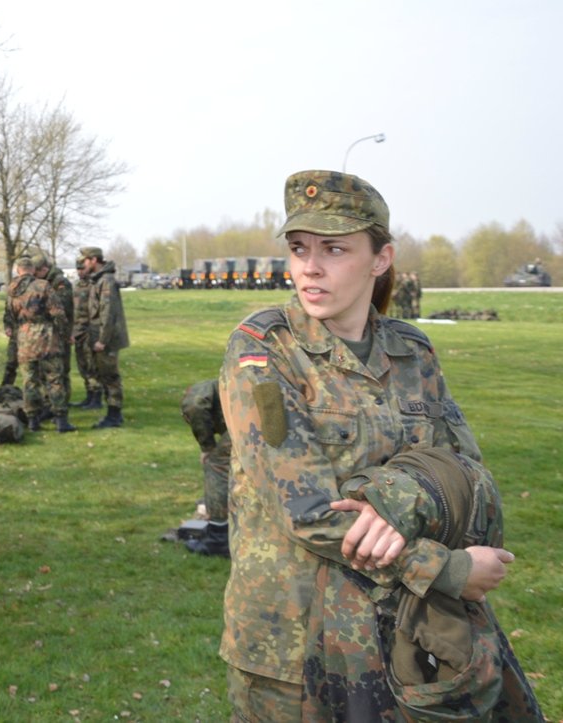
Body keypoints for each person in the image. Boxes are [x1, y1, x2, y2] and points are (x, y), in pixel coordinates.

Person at [219, 170, 540, 721]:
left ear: (380, 259)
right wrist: (447, 569)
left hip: (400, 635)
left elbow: (468, 475)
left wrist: (397, 496)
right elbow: (310, 513)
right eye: (299, 249)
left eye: (335, 249)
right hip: (294, 648)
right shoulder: (264, 349)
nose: (309, 267)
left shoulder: (412, 351)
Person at [6, 256, 75, 432]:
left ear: (18, 270)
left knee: (30, 381)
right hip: (47, 339)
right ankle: (61, 420)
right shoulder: (43, 286)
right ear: (32, 270)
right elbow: (58, 313)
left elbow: (10, 316)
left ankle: (33, 421)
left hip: (24, 340)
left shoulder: (12, 289)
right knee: (54, 380)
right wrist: (65, 334)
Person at [79, 246, 129, 428]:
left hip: (106, 339)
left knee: (110, 377)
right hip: (99, 336)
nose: (84, 264)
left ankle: (114, 415)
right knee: (104, 376)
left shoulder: (106, 281)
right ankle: (113, 414)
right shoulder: (98, 280)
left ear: (93, 260)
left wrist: (102, 340)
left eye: (85, 260)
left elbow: (108, 314)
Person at [179, 379, 230, 557]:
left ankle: (218, 536)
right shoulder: (217, 389)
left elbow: (195, 406)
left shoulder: (196, 397)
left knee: (217, 465)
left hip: (250, 420)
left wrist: (207, 447)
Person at [71, 253, 102, 409]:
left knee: (92, 366)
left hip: (90, 330)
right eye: (78, 269)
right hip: (78, 331)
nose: (79, 271)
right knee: (82, 365)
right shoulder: (77, 285)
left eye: (82, 268)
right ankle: (88, 396)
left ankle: (96, 397)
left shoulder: (94, 285)